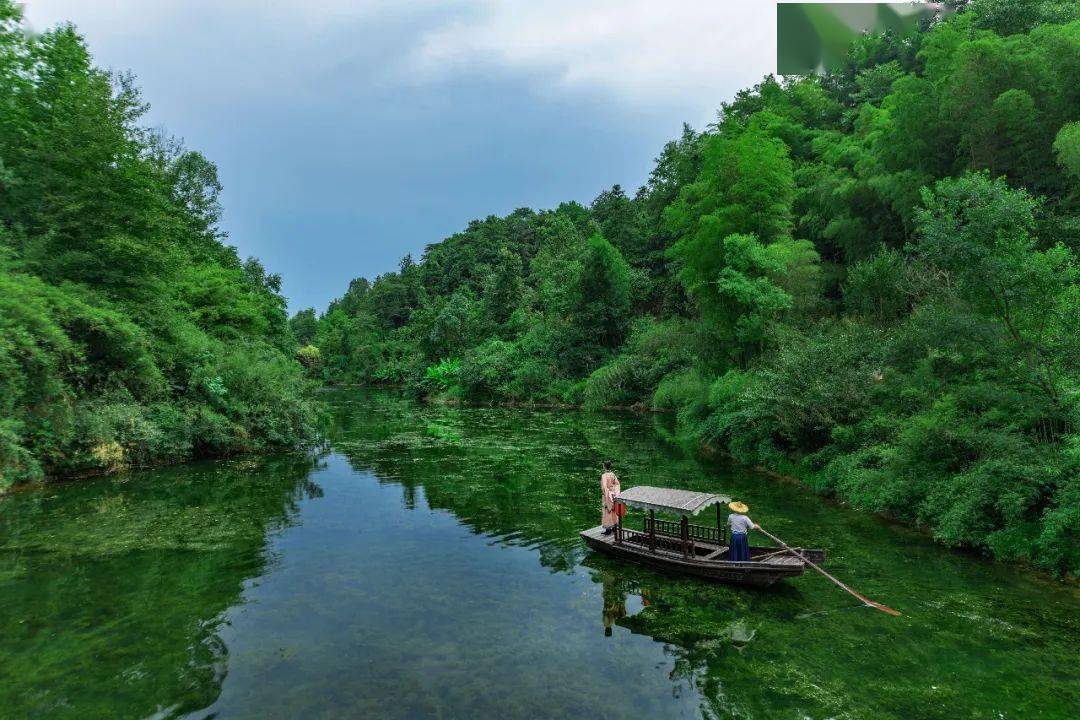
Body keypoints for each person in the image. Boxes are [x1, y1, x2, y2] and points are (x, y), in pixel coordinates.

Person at [600, 460, 621, 534]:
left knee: (607, 511)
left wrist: (606, 495)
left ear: (604, 466)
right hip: (613, 495)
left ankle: (608, 530)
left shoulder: (604, 476)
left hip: (607, 496)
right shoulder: (613, 474)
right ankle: (614, 528)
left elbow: (604, 487)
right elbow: (617, 484)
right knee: (613, 511)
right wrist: (615, 493)